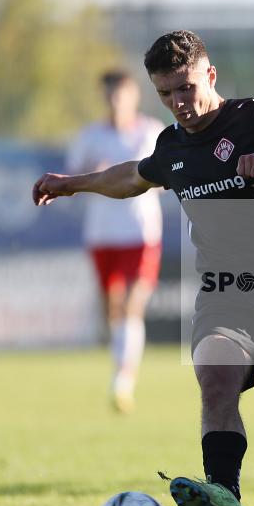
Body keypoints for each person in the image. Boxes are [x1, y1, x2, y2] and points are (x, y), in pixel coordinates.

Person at [33, 30, 254, 506]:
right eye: (165, 94)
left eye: (186, 87)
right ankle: (224, 491)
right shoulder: (172, 145)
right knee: (215, 377)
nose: (179, 103)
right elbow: (133, 176)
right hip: (227, 294)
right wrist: (72, 184)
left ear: (210, 75)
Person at [66, 70, 165, 414]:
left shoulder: (151, 132)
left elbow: (166, 178)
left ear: (133, 96)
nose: (115, 101)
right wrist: (98, 175)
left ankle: (123, 381)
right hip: (102, 234)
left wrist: (135, 179)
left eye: (120, 94)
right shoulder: (90, 137)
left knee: (133, 304)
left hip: (140, 234)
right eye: (109, 95)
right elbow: (73, 179)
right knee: (113, 309)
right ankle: (121, 369)